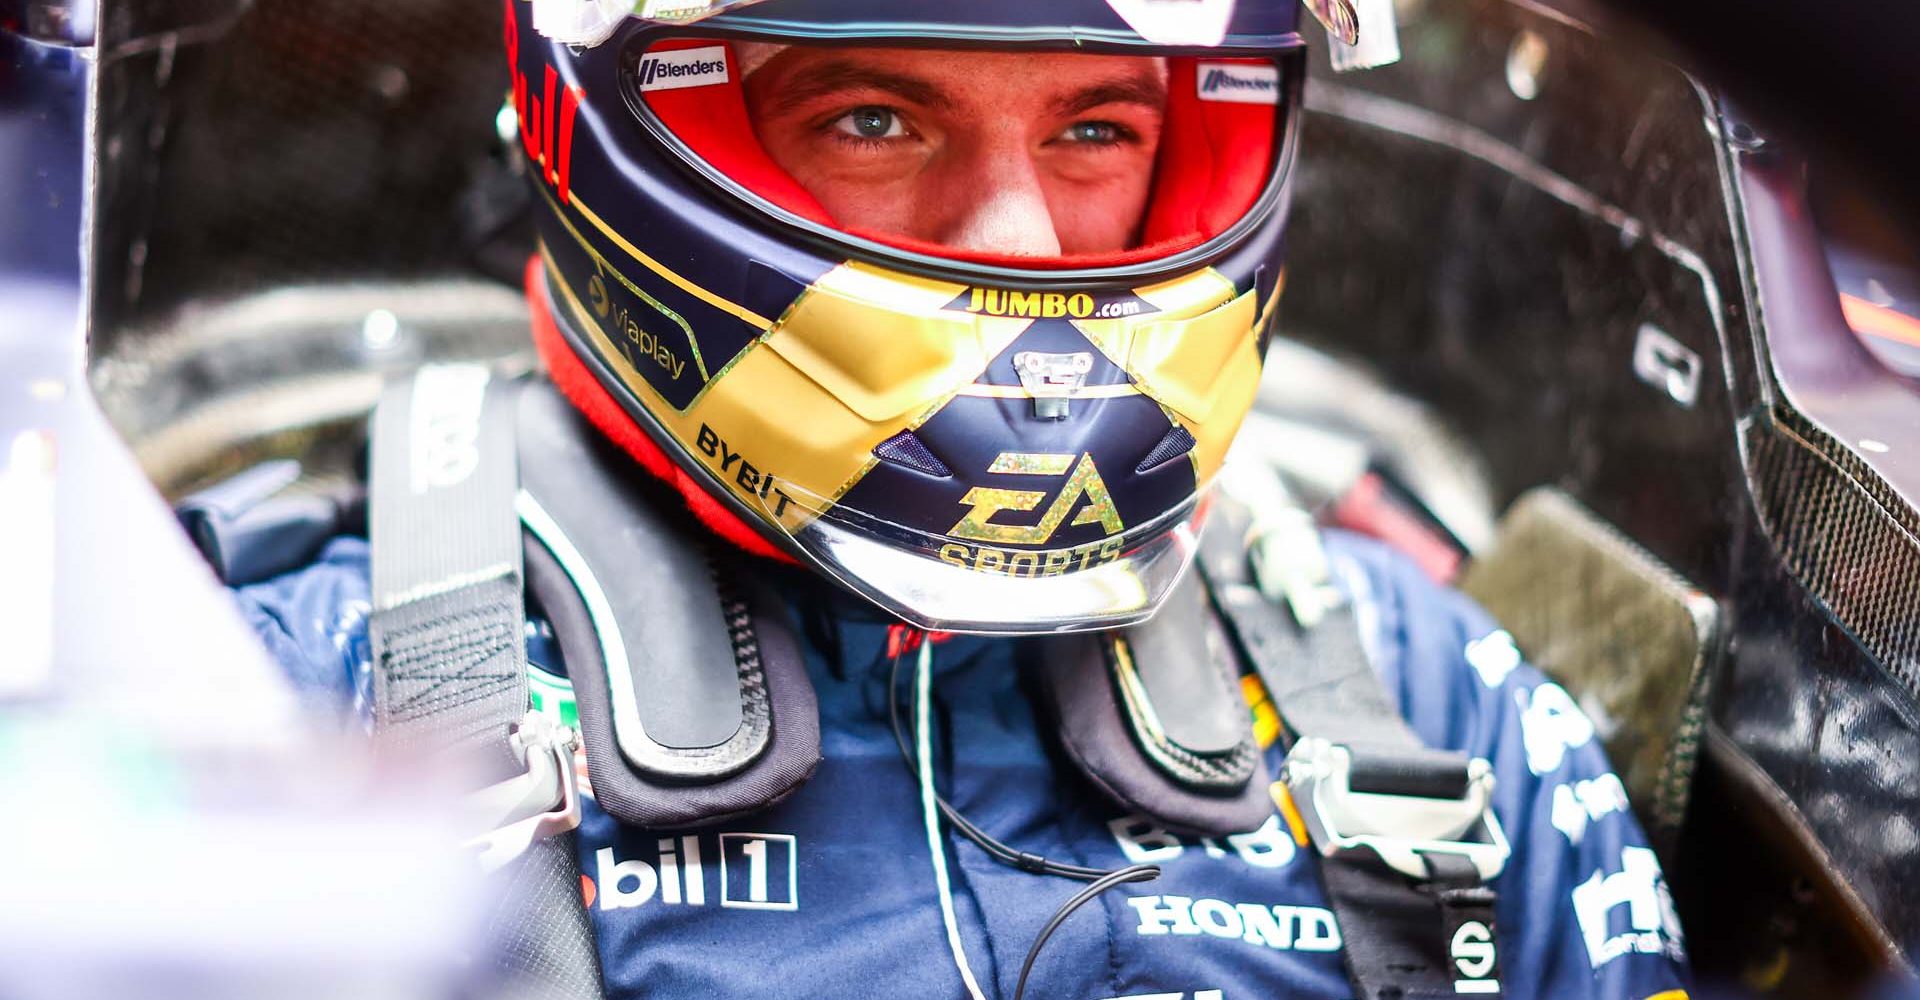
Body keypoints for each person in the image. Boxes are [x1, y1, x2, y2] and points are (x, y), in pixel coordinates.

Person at [216, 1, 1692, 997]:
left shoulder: (1424, 698)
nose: (1021, 242)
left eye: (1098, 130)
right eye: (873, 120)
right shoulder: (270, 718)